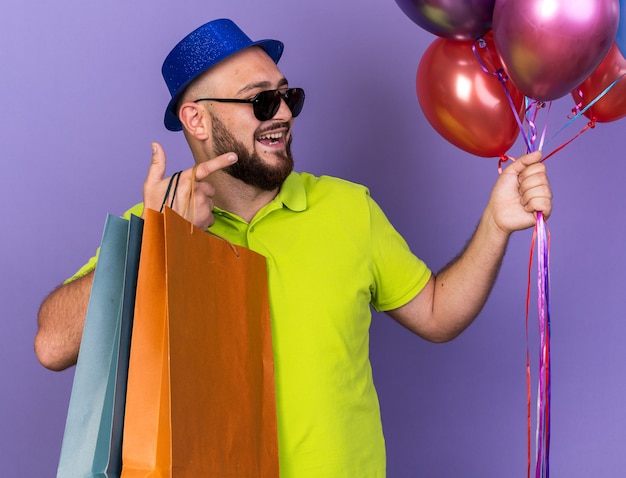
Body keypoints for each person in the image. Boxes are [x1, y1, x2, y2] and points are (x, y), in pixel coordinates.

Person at [35, 18, 552, 477]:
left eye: (289, 96)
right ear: (196, 120)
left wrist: (495, 223)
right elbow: (52, 346)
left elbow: (438, 314)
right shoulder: (154, 224)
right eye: (261, 100)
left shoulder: (348, 208)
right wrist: (159, 239)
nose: (282, 112)